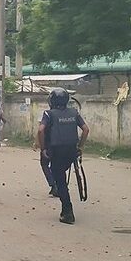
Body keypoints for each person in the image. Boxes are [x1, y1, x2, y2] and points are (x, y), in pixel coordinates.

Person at [38, 88, 89, 224]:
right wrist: (80, 147)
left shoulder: (48, 114)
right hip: (71, 151)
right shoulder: (74, 112)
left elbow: (41, 130)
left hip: (56, 151)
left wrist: (43, 148)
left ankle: (67, 211)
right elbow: (85, 129)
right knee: (62, 176)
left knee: (60, 181)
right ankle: (66, 206)